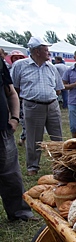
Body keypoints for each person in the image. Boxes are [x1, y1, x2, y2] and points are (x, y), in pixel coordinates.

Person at [11, 36, 64, 176]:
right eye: (46, 49)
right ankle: (32, 167)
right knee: (34, 138)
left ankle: (61, 165)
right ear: (37, 51)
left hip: (52, 105)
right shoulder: (20, 66)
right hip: (33, 106)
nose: (49, 52)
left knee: (57, 136)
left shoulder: (51, 67)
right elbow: (14, 88)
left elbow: (58, 89)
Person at [0, 53, 35, 221]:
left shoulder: (0, 64)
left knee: (11, 174)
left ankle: (20, 213)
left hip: (2, 130)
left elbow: (11, 92)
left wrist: (14, 117)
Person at [8, 50, 27, 146]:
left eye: (20, 58)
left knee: (25, 122)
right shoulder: (8, 69)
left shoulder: (25, 68)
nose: (18, 60)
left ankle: (23, 138)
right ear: (11, 59)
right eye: (15, 58)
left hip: (22, 99)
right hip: (10, 99)